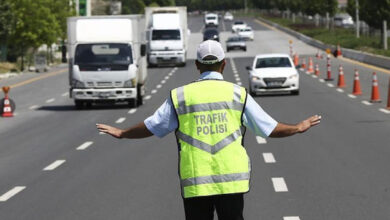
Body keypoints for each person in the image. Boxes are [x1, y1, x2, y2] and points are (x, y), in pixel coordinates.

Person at [96, 40, 321, 220]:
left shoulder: (181, 96)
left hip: (196, 182)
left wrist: (122, 133)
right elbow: (269, 128)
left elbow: (153, 126)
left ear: (197, 65)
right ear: (223, 64)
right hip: (232, 182)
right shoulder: (237, 94)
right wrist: (297, 127)